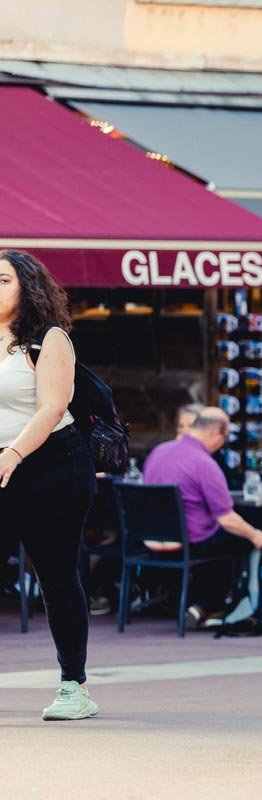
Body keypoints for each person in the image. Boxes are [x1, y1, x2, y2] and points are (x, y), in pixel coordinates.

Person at [0, 250, 98, 721]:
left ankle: (74, 687)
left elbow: (52, 407)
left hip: (52, 466)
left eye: (2, 280)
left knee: (56, 578)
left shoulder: (48, 339)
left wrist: (14, 453)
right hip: (2, 465)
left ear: (27, 288)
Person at [142, 407, 262, 626]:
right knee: (242, 536)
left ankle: (199, 604)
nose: (223, 443)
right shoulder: (204, 464)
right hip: (192, 540)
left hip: (152, 538)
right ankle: (212, 604)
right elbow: (226, 519)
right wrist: (256, 535)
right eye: (225, 437)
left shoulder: (158, 451)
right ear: (215, 433)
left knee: (225, 537)